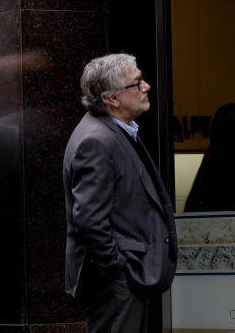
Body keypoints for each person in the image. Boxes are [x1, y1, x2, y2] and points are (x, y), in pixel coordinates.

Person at [63, 53, 177, 333]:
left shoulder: (114, 132)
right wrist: (118, 268)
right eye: (136, 83)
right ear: (113, 99)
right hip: (116, 281)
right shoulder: (96, 140)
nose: (146, 86)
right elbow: (89, 220)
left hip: (125, 277)